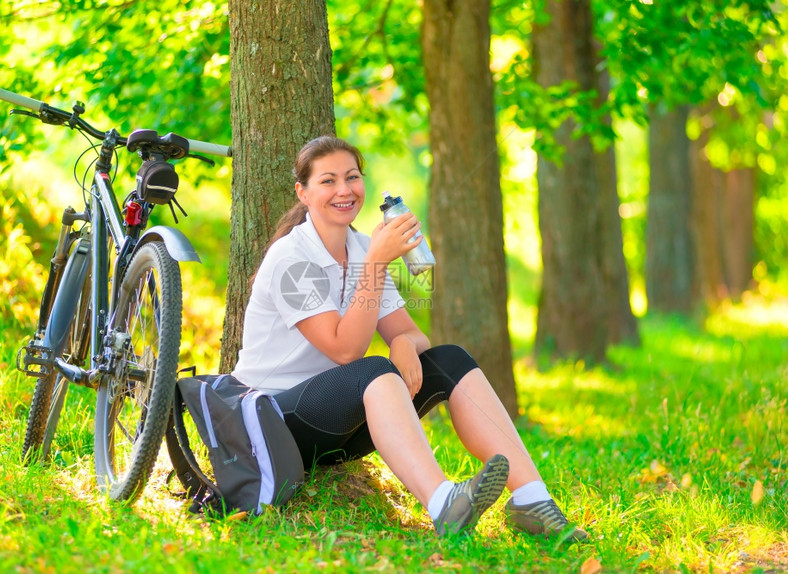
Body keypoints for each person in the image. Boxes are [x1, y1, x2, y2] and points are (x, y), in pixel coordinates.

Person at [231, 136, 587, 540]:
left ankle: (532, 501)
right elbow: (345, 350)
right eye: (328, 181)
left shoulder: (362, 247)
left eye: (352, 177)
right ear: (304, 193)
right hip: (273, 421)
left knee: (449, 360)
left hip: (335, 421)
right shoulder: (291, 259)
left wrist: (402, 342)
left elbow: (411, 334)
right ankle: (444, 503)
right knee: (373, 370)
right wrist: (379, 262)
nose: (344, 190)